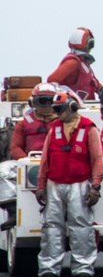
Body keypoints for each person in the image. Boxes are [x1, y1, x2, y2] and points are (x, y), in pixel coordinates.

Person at [36, 90, 103, 277]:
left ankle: (83, 266)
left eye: (60, 109)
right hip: (54, 184)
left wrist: (95, 186)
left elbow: (97, 159)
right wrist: (41, 184)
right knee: (51, 226)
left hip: (80, 183)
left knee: (81, 225)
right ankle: (49, 266)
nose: (57, 113)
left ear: (72, 107)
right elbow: (45, 160)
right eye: (56, 109)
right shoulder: (54, 129)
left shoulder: (89, 129)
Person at [1, 83, 61, 230]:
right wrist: (27, 162)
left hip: (58, 163)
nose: (47, 105)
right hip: (28, 164)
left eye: (50, 100)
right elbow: (14, 148)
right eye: (42, 100)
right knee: (2, 170)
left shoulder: (64, 122)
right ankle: (13, 210)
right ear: (33, 102)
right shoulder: (24, 124)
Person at [47, 27, 102, 100]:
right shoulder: (73, 63)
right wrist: (66, 96)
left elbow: (95, 83)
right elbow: (52, 79)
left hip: (86, 105)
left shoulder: (83, 64)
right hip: (75, 105)